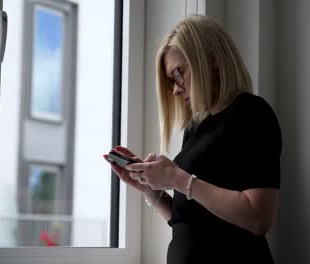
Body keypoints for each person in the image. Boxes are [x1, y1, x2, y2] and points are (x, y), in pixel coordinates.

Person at [103, 15, 282, 263]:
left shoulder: (251, 113)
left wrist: (177, 178)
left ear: (213, 60)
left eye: (179, 72)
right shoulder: (195, 128)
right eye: (170, 80)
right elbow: (188, 222)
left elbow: (259, 217)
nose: (175, 88)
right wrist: (149, 188)